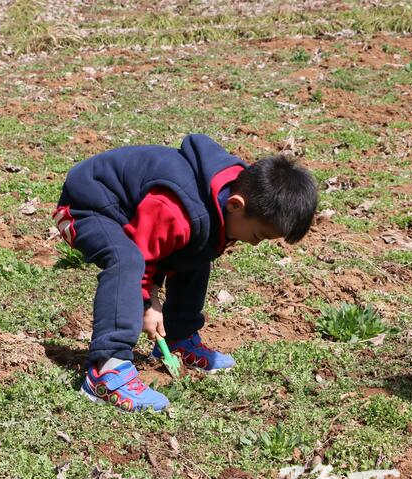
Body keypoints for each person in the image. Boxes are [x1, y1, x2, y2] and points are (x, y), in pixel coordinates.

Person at [54, 134, 317, 412]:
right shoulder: (177, 210)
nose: (254, 243)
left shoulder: (230, 199)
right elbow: (142, 250)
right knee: (126, 259)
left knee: (199, 250)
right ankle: (107, 369)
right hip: (87, 206)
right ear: (236, 205)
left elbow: (159, 242)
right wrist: (147, 301)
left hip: (141, 219)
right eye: (257, 235)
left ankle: (179, 337)